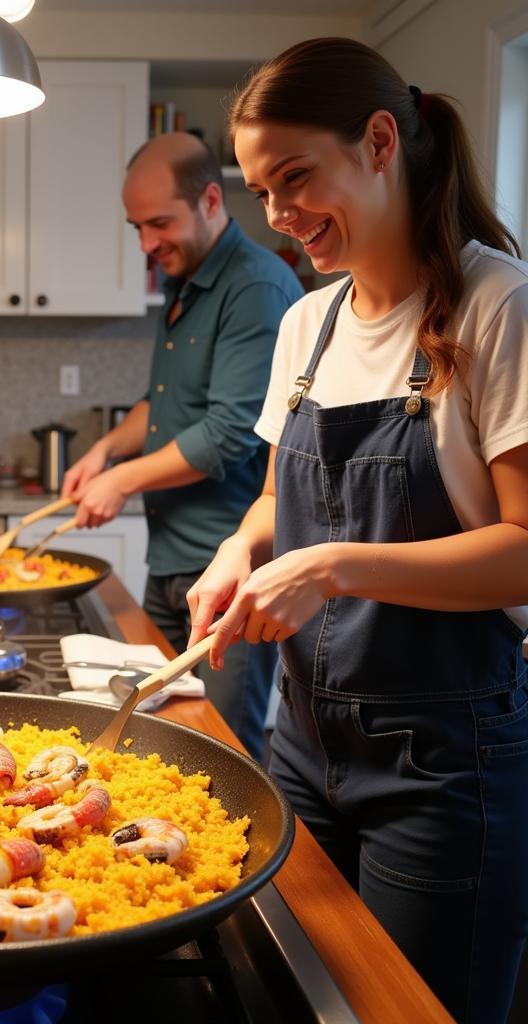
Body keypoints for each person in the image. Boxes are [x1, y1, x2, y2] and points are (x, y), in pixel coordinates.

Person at [186, 37, 528, 1024]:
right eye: (260, 190)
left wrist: (330, 567)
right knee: (299, 995)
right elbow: (275, 503)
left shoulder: (495, 305)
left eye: (295, 176)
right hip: (301, 737)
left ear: (379, 141)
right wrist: (234, 552)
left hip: (444, 755)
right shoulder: (310, 322)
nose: (278, 216)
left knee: (404, 1011)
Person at [62, 131, 303, 759]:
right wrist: (107, 451)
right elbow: (165, 403)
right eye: (136, 227)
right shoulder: (184, 278)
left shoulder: (256, 288)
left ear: (212, 200)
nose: (146, 244)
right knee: (151, 734)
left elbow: (227, 433)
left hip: (230, 569)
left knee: (222, 751)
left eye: (160, 223)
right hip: (171, 559)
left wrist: (122, 481)